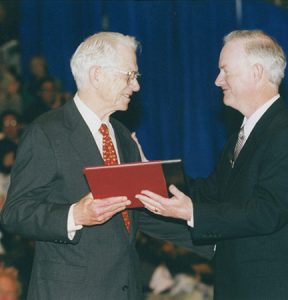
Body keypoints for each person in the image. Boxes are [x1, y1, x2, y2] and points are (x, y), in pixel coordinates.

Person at [0, 32, 213, 300]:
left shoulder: (123, 136)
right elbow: (15, 213)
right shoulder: (46, 132)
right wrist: (75, 215)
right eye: (129, 75)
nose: (135, 87)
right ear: (97, 74)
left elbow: (141, 213)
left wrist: (217, 242)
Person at [136, 30, 288, 300]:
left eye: (225, 71)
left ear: (256, 72)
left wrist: (193, 213)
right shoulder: (243, 134)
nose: (217, 80)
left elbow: (268, 211)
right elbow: (211, 192)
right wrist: (153, 173)